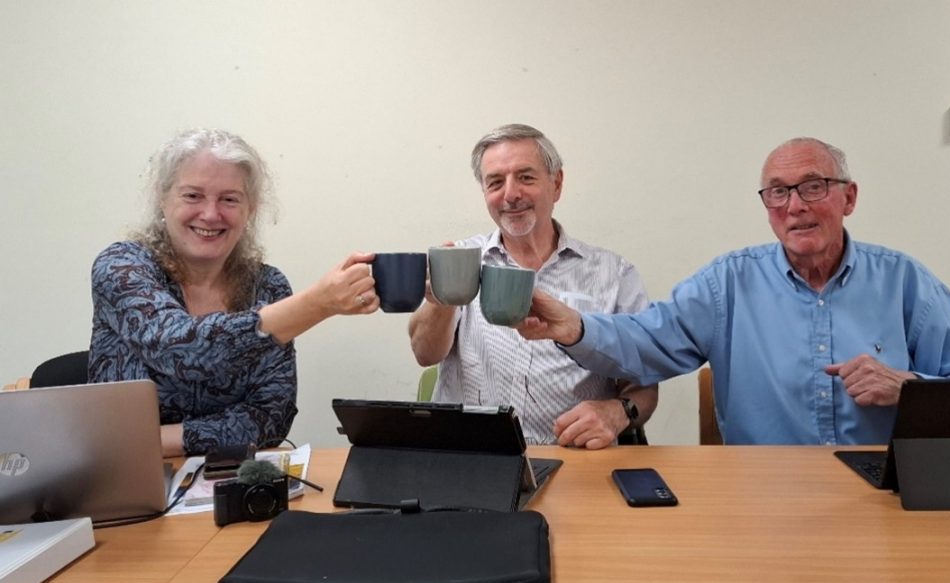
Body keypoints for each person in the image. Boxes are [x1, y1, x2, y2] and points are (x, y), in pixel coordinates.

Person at [516, 137, 950, 445]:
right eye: (778, 192)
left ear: (849, 197)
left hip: (882, 490)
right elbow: (649, 344)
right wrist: (574, 327)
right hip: (762, 493)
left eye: (813, 186)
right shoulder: (727, 284)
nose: (794, 205)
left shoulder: (905, 282)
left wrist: (910, 389)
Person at [89, 128, 380, 457]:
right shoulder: (121, 266)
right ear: (162, 197)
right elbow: (179, 348)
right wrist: (316, 304)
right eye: (193, 196)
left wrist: (154, 440)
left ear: (250, 209)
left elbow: (270, 418)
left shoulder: (268, 286)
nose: (211, 214)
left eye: (229, 199)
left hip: (227, 479)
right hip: (129, 479)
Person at [408, 124, 658, 449]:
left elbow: (645, 382)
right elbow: (424, 353)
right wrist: (442, 296)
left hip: (574, 460)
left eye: (526, 177)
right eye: (495, 182)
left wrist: (618, 411)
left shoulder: (614, 274)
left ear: (556, 184)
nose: (511, 194)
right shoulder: (460, 259)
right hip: (470, 457)